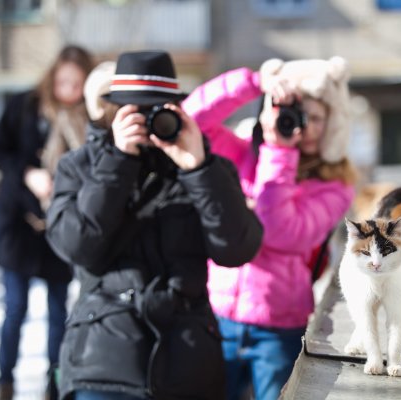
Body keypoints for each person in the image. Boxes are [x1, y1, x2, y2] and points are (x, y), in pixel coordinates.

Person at [44, 51, 264, 400]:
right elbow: (79, 247)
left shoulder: (205, 169)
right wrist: (118, 162)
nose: (147, 122)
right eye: (135, 111)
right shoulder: (80, 167)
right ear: (113, 112)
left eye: (157, 110)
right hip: (103, 363)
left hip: (188, 367)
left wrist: (198, 170)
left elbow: (237, 249)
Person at [182, 56, 357, 400]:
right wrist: (252, 82)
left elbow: (279, 232)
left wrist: (279, 151)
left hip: (279, 327)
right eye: (294, 113)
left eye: (315, 117)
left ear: (333, 123)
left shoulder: (335, 185)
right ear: (268, 112)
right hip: (217, 318)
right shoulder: (243, 156)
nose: (303, 125)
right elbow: (188, 123)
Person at [0, 45, 95, 400]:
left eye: (76, 83)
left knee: (58, 311)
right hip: (19, 224)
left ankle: (55, 381)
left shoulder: (90, 115)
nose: (68, 90)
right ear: (52, 78)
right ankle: (5, 380)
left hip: (61, 230)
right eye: (63, 81)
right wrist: (29, 174)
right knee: (15, 307)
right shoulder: (26, 106)